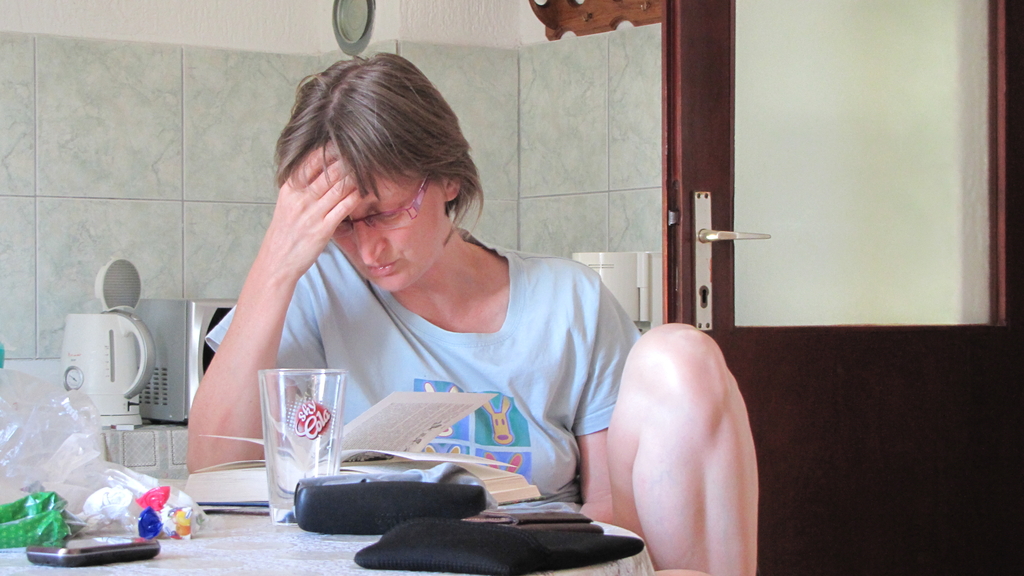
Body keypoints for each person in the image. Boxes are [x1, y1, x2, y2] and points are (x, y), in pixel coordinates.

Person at [187, 53, 758, 576]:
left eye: (385, 213)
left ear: (448, 178)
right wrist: (278, 261)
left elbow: (611, 514)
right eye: (341, 224)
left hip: (535, 562)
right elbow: (210, 474)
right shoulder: (318, 293)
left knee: (681, 354)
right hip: (376, 565)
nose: (367, 248)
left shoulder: (571, 302)